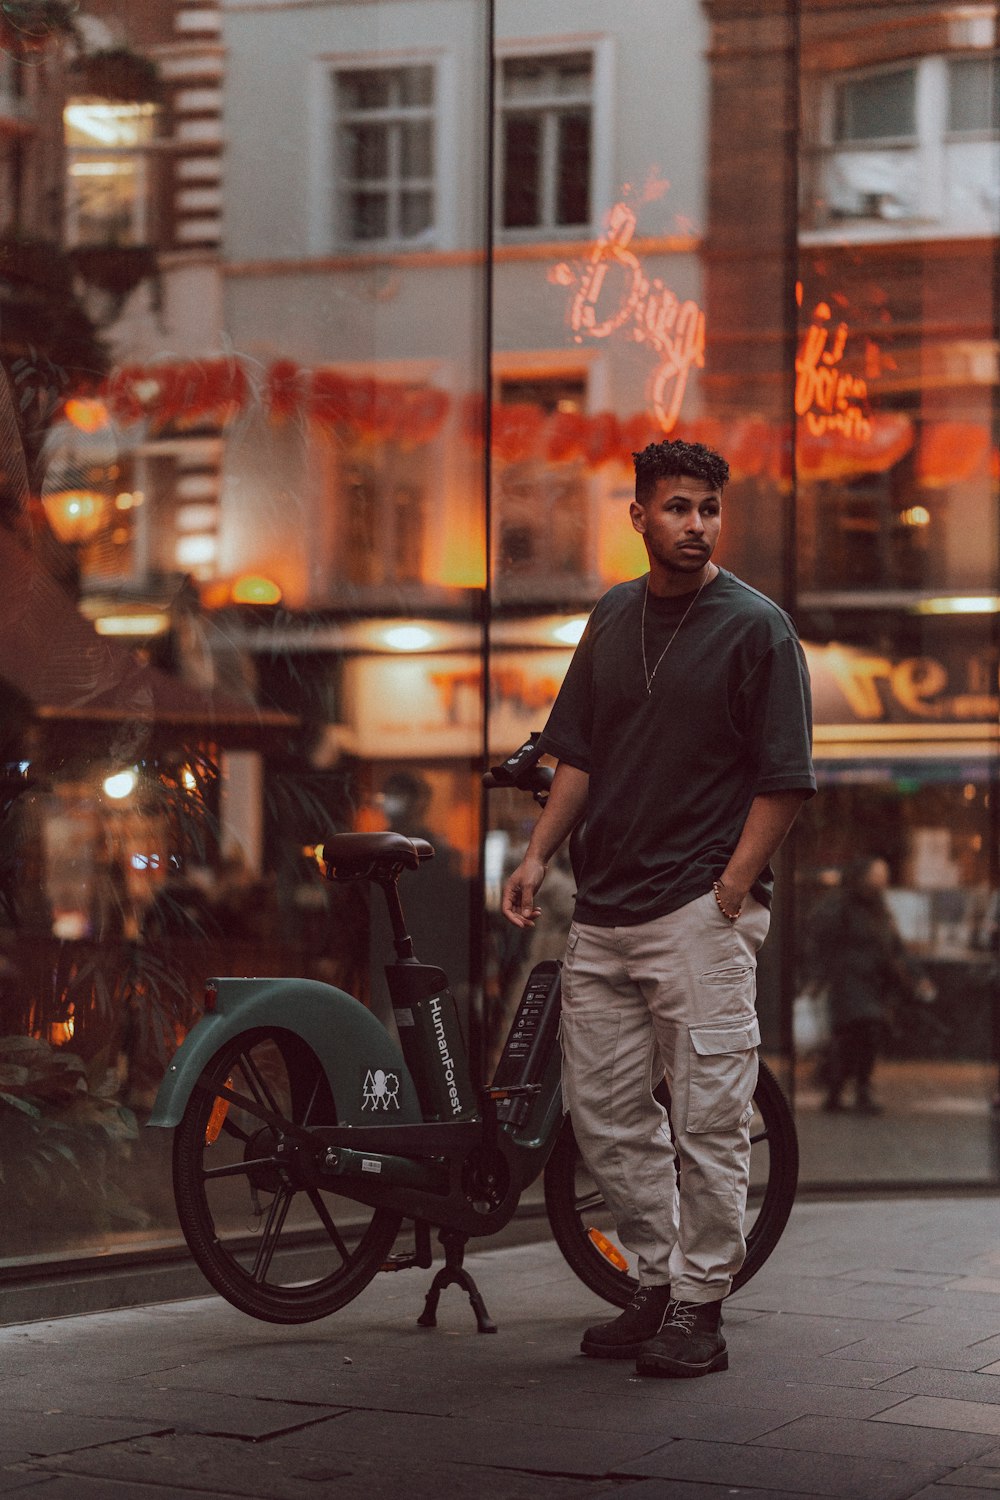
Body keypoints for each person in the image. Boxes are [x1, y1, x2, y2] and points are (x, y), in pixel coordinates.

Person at [502, 438, 815, 1379]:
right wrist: (538, 853)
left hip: (696, 913)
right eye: (677, 508)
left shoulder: (757, 628)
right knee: (602, 1115)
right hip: (601, 911)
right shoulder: (613, 615)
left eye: (709, 510)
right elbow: (581, 755)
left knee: (709, 1119)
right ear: (638, 517)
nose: (696, 525)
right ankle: (652, 1278)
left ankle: (700, 1306)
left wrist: (729, 887)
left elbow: (787, 780)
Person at [810, 856, 930, 1115]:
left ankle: (853, 1089)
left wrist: (916, 974)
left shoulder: (880, 909)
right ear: (863, 876)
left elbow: (895, 947)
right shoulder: (842, 904)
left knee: (867, 1034)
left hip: (873, 984)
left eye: (883, 875)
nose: (882, 880)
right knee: (853, 1035)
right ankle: (841, 1089)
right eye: (877, 874)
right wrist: (820, 975)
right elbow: (822, 937)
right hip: (848, 982)